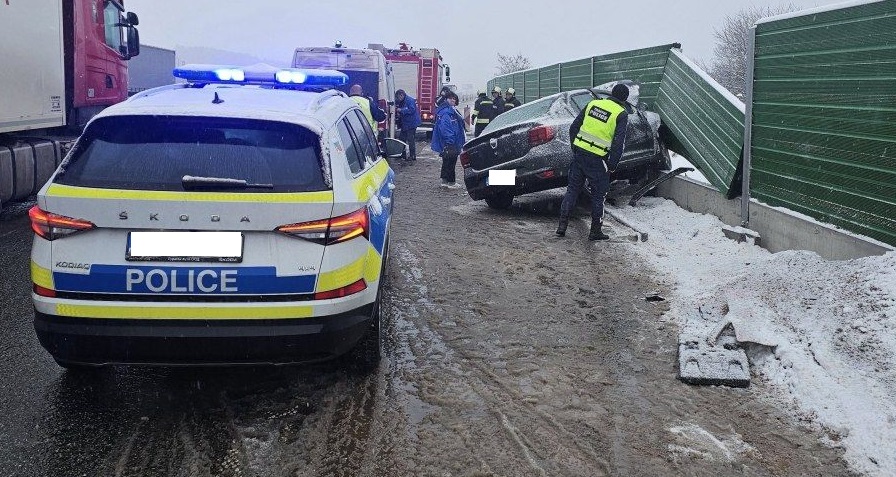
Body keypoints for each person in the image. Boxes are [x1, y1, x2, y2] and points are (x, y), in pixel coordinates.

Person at [556, 83, 630, 241]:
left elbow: (573, 127)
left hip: (580, 155)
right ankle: (595, 231)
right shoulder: (621, 114)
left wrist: (575, 147)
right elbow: (618, 143)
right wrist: (612, 165)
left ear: (611, 93)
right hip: (598, 160)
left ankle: (562, 226)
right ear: (624, 99)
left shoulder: (593, 104)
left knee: (572, 191)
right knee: (599, 196)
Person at [431, 94, 466, 188]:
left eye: (454, 99)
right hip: (450, 142)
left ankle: (445, 180)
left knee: (447, 160)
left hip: (451, 141)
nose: (453, 100)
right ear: (446, 99)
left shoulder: (450, 111)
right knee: (451, 161)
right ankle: (451, 182)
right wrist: (450, 141)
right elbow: (446, 129)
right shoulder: (447, 113)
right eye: (450, 98)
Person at [394, 89, 422, 162]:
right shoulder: (403, 101)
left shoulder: (409, 100)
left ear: (401, 95)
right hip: (406, 123)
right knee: (402, 139)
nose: (398, 99)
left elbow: (411, 110)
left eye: (398, 97)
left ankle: (412, 156)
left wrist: (401, 110)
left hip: (411, 123)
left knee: (410, 140)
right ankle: (402, 155)